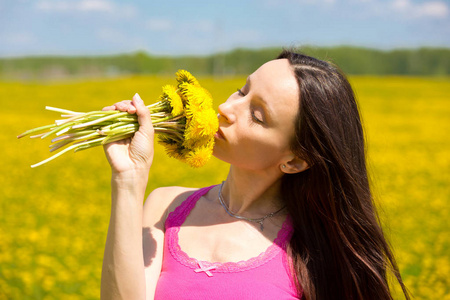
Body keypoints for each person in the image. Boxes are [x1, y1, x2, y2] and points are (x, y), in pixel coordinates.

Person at [100, 50, 410, 300]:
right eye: (242, 91)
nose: (226, 108)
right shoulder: (165, 207)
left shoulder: (313, 256)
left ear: (295, 161)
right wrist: (128, 179)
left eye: (257, 116)